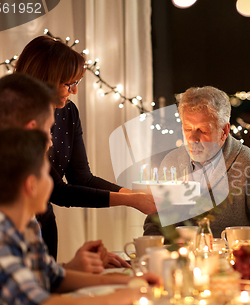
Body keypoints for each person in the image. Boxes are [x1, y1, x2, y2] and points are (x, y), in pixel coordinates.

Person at [0, 129, 160, 305]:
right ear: (31, 185)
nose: (53, 184)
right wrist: (120, 297)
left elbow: (55, 277)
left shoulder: (28, 227)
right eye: (47, 174)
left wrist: (130, 281)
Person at [13, 35, 156, 259]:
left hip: (44, 223)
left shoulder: (67, 111)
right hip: (19, 225)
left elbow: (82, 178)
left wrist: (134, 194)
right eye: (68, 84)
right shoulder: (21, 122)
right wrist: (131, 200)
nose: (74, 91)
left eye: (75, 83)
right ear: (44, 81)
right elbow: (57, 191)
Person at [0, 73, 126, 273]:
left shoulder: (30, 222)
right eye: (50, 130)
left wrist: (76, 267)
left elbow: (45, 278)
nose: (52, 141)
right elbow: (38, 302)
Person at [143, 86, 250, 239]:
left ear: (224, 131)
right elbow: (155, 223)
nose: (193, 139)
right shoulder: (172, 162)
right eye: (188, 129)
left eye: (203, 131)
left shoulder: (248, 163)